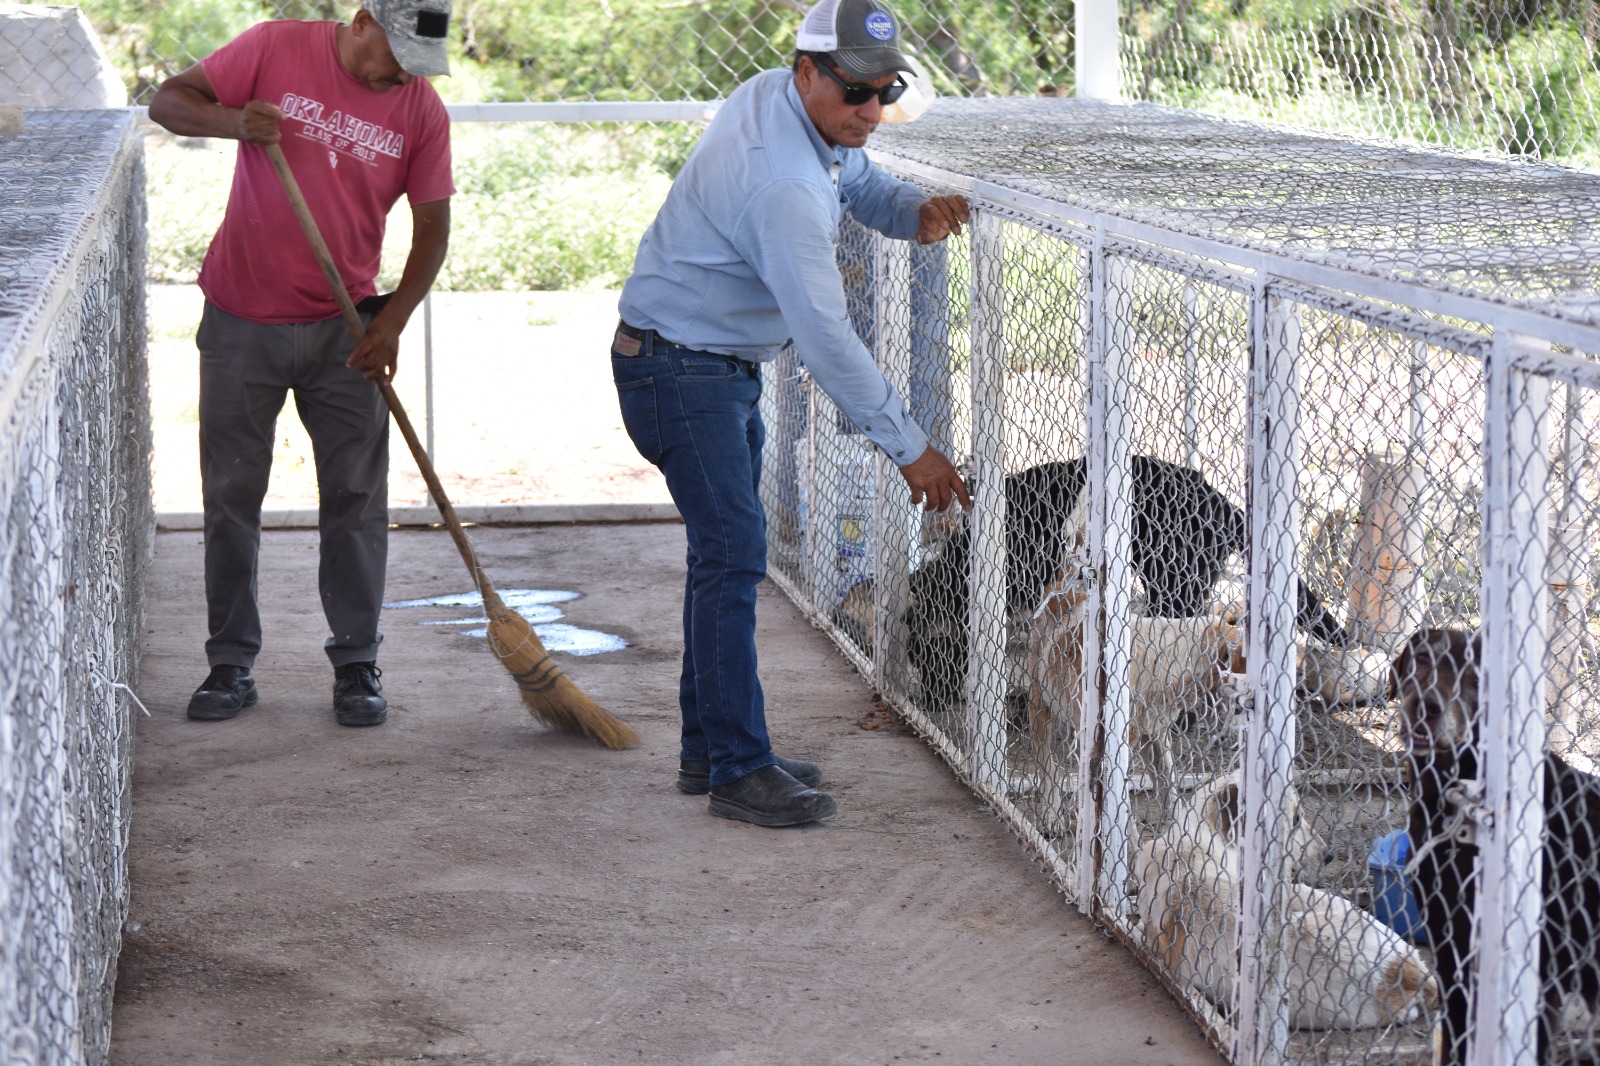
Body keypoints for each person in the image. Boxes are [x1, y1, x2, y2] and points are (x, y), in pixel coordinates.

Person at [613, 0, 973, 828]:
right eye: (855, 91)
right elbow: (825, 338)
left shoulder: (777, 98)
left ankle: (710, 749)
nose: (871, 112)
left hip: (704, 364)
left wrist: (908, 211)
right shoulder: (780, 185)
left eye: (887, 92)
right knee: (735, 555)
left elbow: (858, 175)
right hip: (681, 371)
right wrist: (910, 446)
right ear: (806, 69)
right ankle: (740, 768)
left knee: (723, 557)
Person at [147, 1, 454, 727]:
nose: (406, 72)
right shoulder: (273, 48)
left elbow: (433, 229)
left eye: (419, 62)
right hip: (239, 321)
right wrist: (234, 124)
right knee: (230, 493)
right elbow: (168, 102)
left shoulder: (421, 109)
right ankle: (230, 662)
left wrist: (393, 321)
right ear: (361, 22)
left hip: (347, 327)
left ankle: (356, 663)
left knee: (354, 495)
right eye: (398, 53)